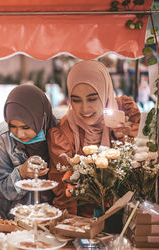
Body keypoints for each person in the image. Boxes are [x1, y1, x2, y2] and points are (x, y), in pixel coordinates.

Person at [48, 60, 141, 216]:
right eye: (76, 100)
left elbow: (128, 174)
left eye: (92, 99)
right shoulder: (63, 135)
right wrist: (73, 230)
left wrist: (122, 139)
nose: (84, 109)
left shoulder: (122, 114)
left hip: (122, 214)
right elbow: (65, 192)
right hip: (83, 221)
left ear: (105, 93)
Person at [0, 84, 56, 219]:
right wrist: (21, 173)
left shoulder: (59, 131)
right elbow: (1, 191)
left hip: (55, 218)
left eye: (26, 127)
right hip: (18, 222)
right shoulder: (2, 138)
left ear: (41, 119)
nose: (19, 134)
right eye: (13, 126)